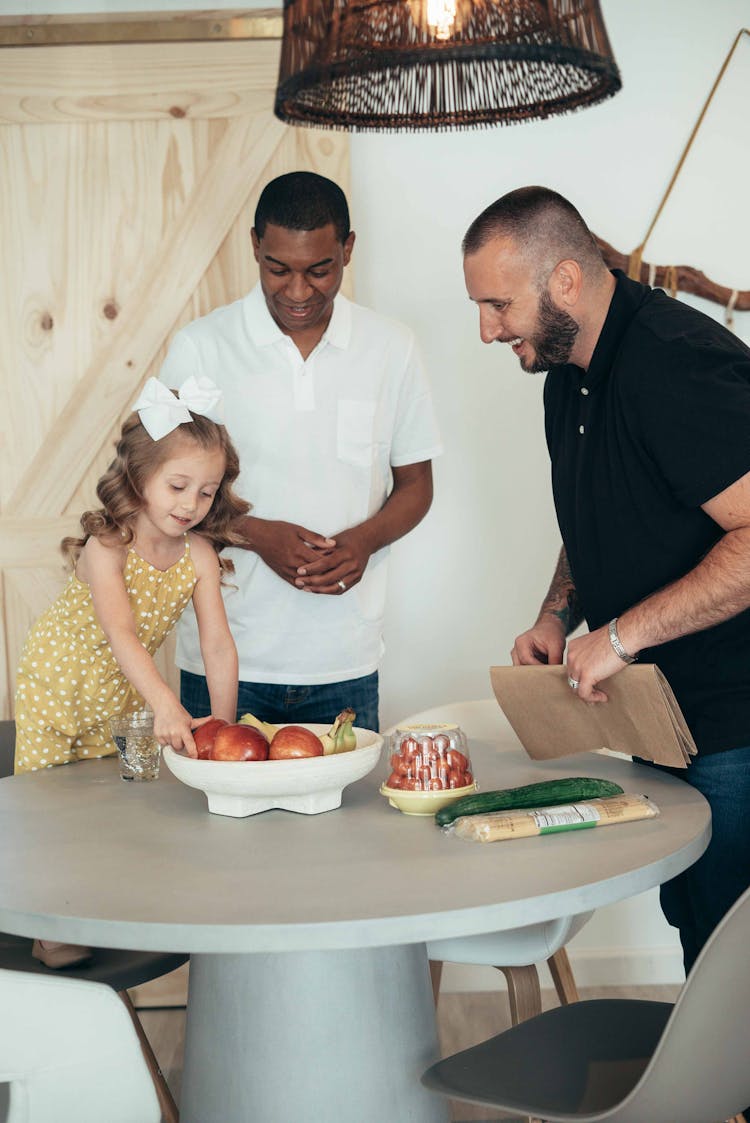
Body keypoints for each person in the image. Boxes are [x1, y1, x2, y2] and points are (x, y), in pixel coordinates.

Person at [462, 184, 750, 975]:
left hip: (736, 722)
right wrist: (559, 613)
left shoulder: (675, 361)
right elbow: (603, 510)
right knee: (699, 929)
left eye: (497, 304)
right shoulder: (566, 373)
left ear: (563, 282)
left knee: (732, 957)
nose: (487, 330)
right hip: (661, 716)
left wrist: (621, 636)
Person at [159, 171, 442, 733]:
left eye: (320, 270)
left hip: (345, 661)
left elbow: (416, 485)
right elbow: (158, 491)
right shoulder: (200, 347)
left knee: (343, 822)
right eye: (277, 269)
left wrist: (363, 542)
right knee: (213, 821)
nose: (297, 291)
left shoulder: (392, 348)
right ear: (255, 247)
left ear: (348, 250)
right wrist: (256, 534)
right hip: (222, 657)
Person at [14, 375, 248, 967]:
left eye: (205, 491)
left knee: (109, 809)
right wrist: (168, 704)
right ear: (137, 478)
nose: (191, 504)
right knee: (50, 810)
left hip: (120, 692)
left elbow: (218, 647)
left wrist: (219, 730)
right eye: (177, 485)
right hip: (57, 686)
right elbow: (120, 633)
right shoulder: (108, 545)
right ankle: (49, 925)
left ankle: (89, 906)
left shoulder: (198, 556)